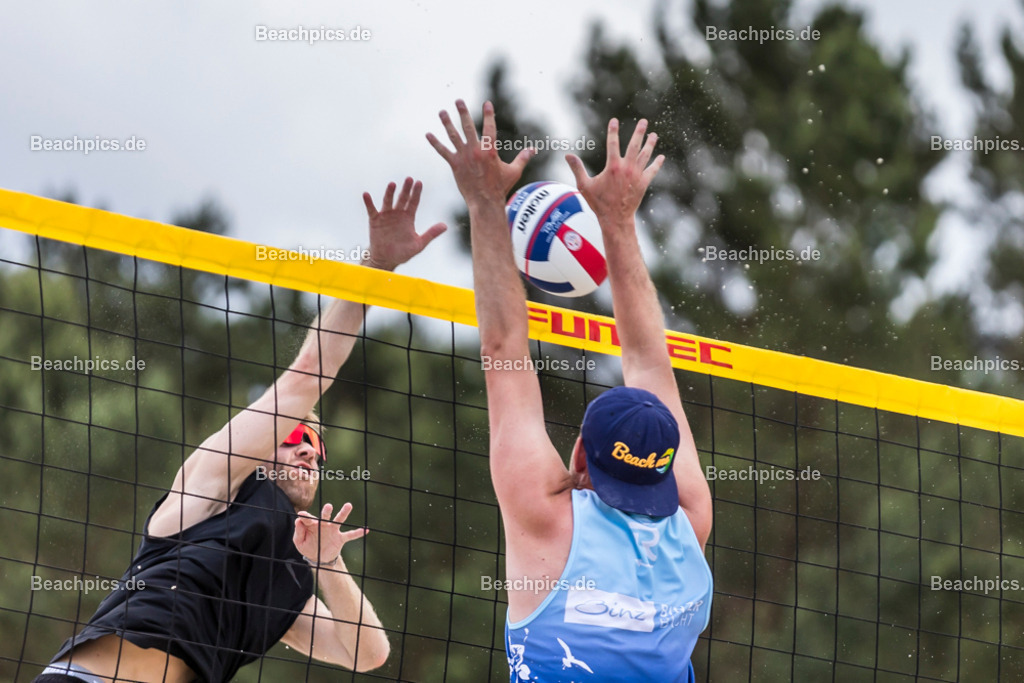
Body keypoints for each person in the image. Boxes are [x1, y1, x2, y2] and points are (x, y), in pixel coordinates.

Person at [35, 179, 446, 683]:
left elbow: (367, 654)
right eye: (295, 438)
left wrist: (329, 564)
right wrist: (375, 270)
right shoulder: (210, 485)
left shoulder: (285, 580)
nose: (308, 453)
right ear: (258, 448)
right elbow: (308, 374)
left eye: (317, 447)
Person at [428, 100, 714, 682]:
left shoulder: (548, 521)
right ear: (665, 469)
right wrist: (619, 224)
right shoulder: (690, 521)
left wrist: (487, 204)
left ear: (580, 452)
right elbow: (652, 364)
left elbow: (509, 347)